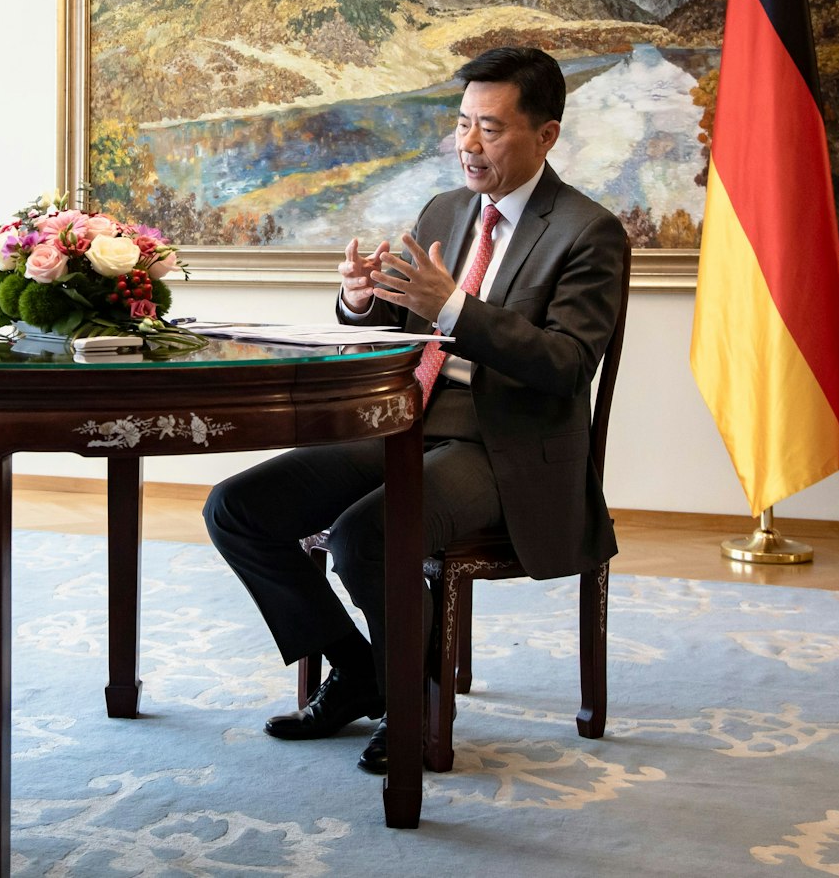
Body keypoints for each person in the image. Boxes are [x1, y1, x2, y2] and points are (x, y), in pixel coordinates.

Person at [203, 45, 626, 775]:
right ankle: (363, 669)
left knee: (368, 533)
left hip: (506, 451)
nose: (466, 144)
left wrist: (457, 306)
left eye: (489, 129)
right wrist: (361, 301)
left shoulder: (587, 231)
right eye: (462, 123)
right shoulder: (445, 209)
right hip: (404, 421)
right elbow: (405, 331)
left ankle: (418, 703)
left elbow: (565, 364)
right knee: (238, 508)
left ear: (547, 134)